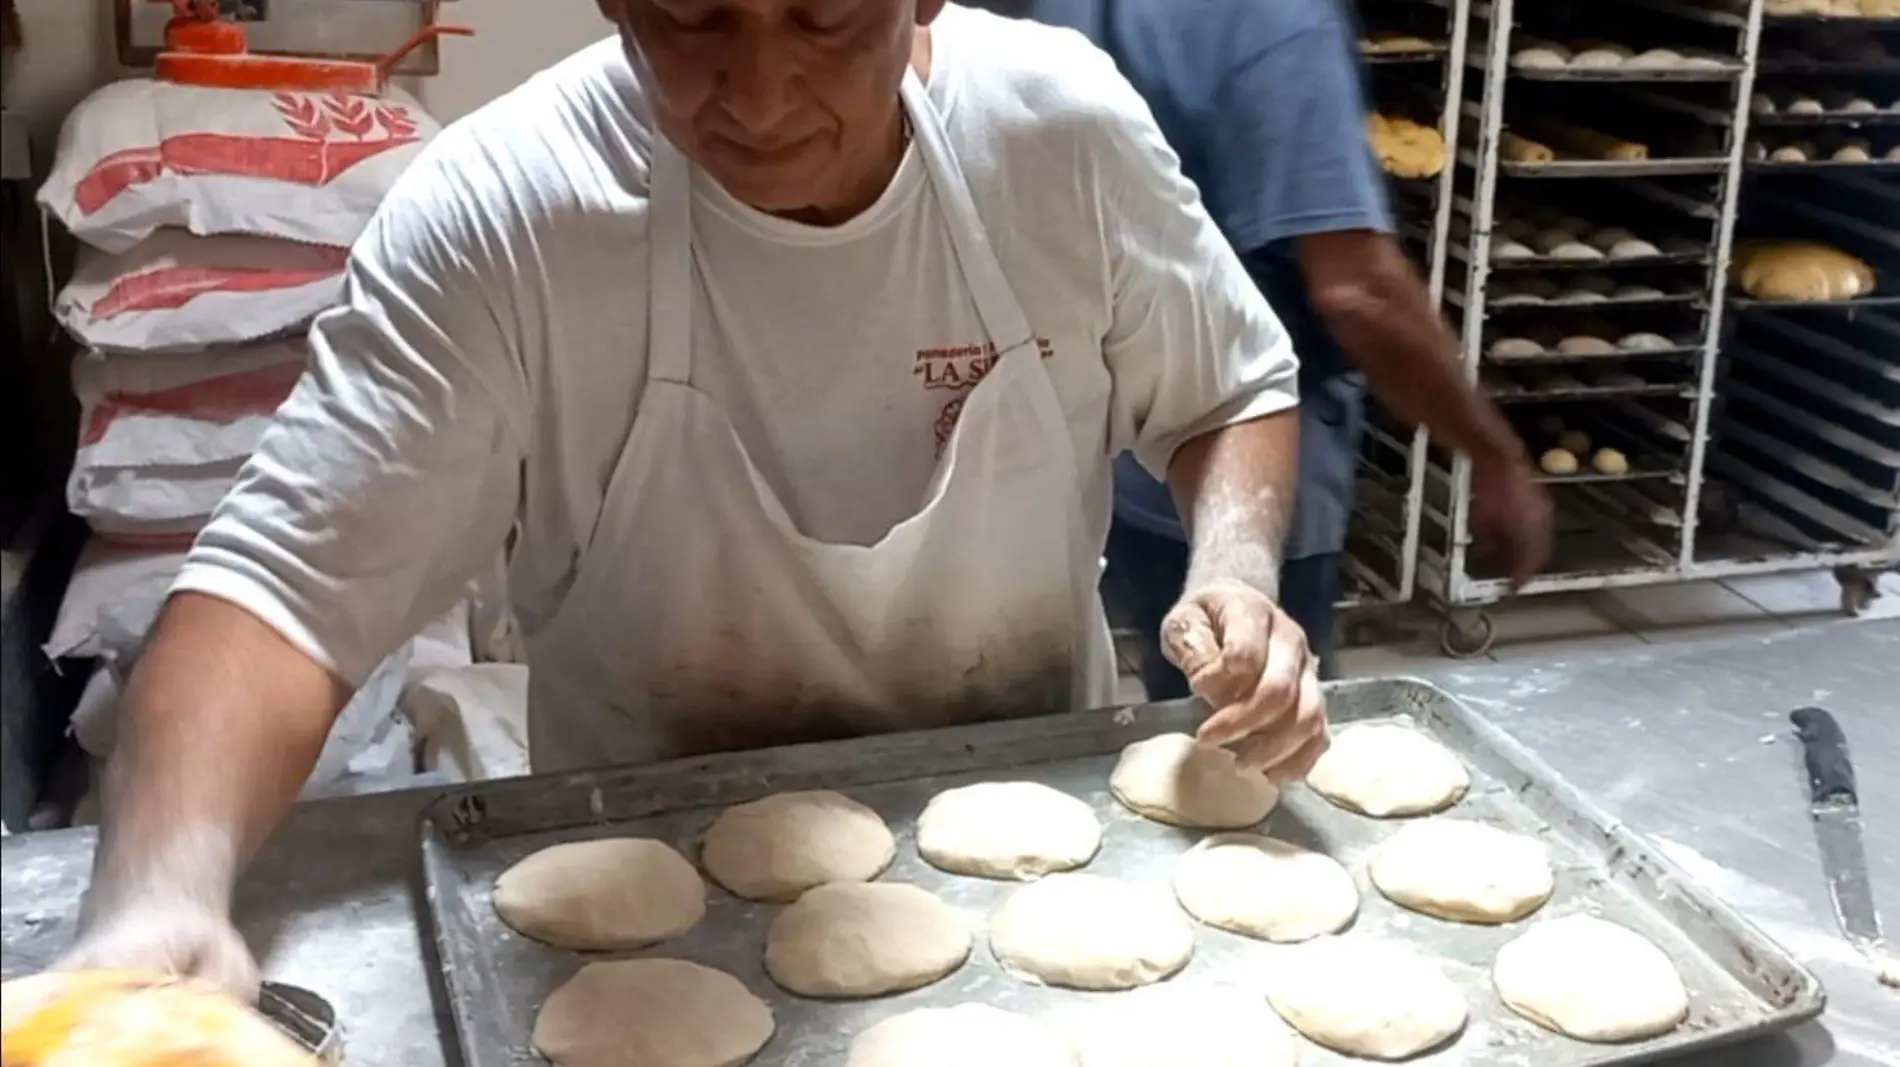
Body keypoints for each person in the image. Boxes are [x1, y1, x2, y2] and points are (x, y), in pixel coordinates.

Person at [58, 0, 1328, 995]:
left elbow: (1222, 390)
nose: (761, 94)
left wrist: (1233, 571)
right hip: (637, 906)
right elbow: (282, 592)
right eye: (695, 19)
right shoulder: (504, 218)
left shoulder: (1057, 136)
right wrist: (160, 891)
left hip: (1041, 853)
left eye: (824, 20)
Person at [1002, 0, 1552, 695]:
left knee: (1192, 711)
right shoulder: (1279, 19)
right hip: (1245, 467)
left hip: (1113, 450)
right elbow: (1359, 291)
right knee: (1258, 732)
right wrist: (1494, 455)